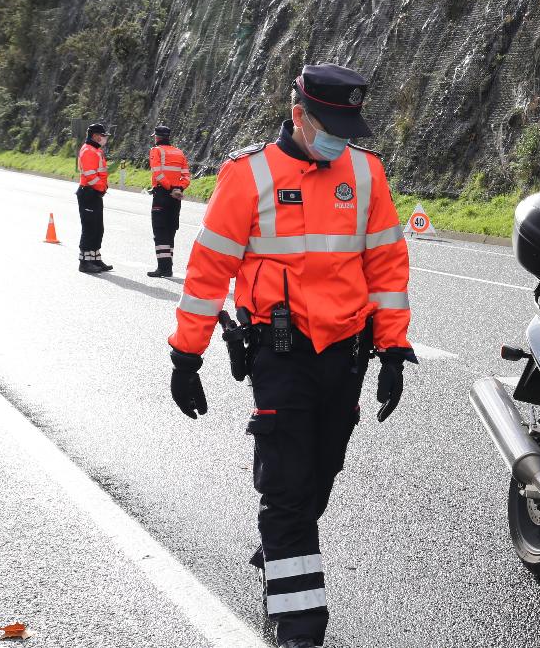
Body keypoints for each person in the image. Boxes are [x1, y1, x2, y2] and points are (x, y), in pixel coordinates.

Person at [166, 63, 416, 648]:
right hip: (279, 354)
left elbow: (386, 266)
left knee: (320, 477)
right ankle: (299, 627)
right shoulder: (248, 175)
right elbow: (208, 275)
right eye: (330, 125)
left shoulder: (366, 172)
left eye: (348, 127)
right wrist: (186, 355)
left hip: (345, 354)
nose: (340, 138)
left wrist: (394, 348)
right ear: (298, 113)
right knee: (286, 488)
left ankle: (280, 548)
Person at [146, 124, 191, 278]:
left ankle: (163, 268)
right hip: (176, 196)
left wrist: (169, 188)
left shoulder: (156, 151)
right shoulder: (179, 152)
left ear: (157, 137)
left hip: (162, 194)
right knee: (171, 230)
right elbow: (186, 176)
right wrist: (179, 188)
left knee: (160, 231)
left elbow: (157, 174)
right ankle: (168, 266)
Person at [76, 123, 112, 273]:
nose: (104, 138)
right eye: (103, 136)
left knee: (98, 228)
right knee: (89, 228)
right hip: (89, 192)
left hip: (94, 192)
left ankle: (95, 259)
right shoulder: (89, 151)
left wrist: (103, 187)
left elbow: (100, 173)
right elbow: (91, 176)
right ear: (95, 136)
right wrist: (102, 187)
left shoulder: (96, 150)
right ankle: (84, 262)